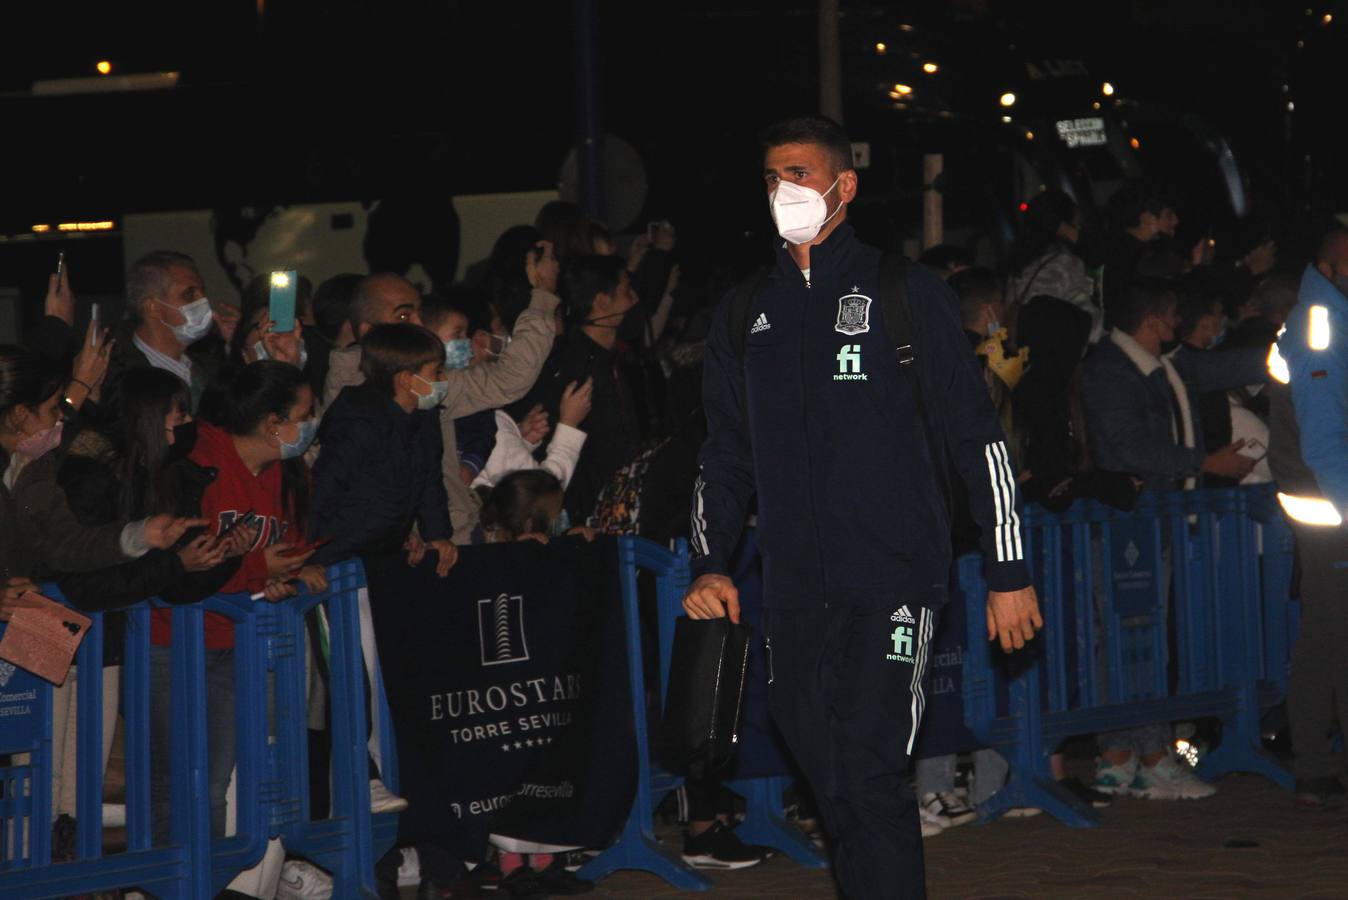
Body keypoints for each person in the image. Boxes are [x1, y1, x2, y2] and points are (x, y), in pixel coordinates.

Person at [681, 115, 1040, 899]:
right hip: (796, 590)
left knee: (872, 771)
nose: (786, 191)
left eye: (802, 175)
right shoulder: (745, 313)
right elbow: (724, 453)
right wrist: (710, 564)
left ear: (845, 186)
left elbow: (978, 439)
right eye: (773, 178)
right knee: (831, 776)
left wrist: (1009, 569)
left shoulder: (906, 294)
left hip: (895, 578)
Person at [1266, 227, 1348, 806]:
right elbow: (1324, 438)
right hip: (1330, 505)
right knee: (1332, 635)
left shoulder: (1327, 315)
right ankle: (1317, 763)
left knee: (1328, 634)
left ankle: (1317, 764)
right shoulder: (1320, 324)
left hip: (1327, 499)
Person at [527, 255, 641, 526]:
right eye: (626, 292)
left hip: (619, 503)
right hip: (590, 517)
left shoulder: (612, 359)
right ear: (602, 301)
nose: (634, 300)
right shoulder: (574, 368)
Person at [104, 251, 222, 416]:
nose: (203, 302)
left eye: (203, 292)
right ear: (152, 306)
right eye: (189, 294)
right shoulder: (121, 380)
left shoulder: (209, 369)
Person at [1007, 190, 1101, 342]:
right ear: (1062, 226)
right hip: (1057, 349)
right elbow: (1090, 325)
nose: (1079, 230)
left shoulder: (1019, 263)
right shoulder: (1065, 263)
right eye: (1076, 224)